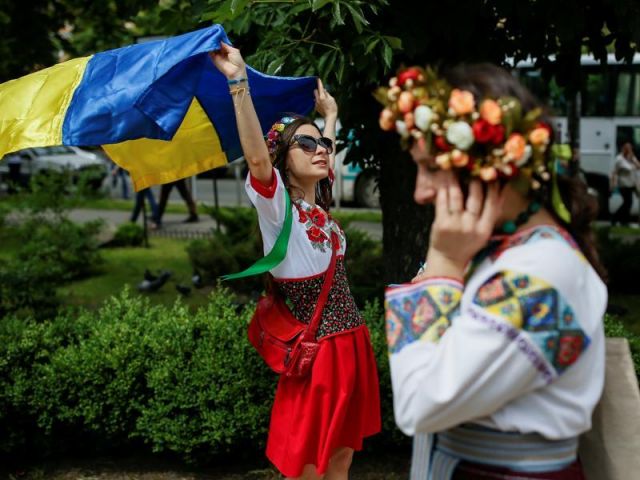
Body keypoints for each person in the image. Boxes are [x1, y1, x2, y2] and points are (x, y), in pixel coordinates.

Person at [378, 64, 608, 479]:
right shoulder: (503, 254)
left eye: (431, 167)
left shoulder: (541, 274)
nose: (420, 191)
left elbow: (418, 405)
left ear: (492, 167)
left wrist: (444, 264)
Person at [210, 42, 381, 480]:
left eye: (321, 144)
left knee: (341, 461)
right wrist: (238, 83)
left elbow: (326, 161)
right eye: (305, 144)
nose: (320, 148)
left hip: (351, 347)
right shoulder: (278, 208)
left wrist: (331, 119)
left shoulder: (319, 212)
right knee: (308, 467)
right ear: (281, 160)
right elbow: (255, 158)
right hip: (319, 356)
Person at [610, 142, 640, 226]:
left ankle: (623, 220)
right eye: (627, 149)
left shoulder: (632, 158)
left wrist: (633, 160)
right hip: (623, 184)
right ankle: (616, 218)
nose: (629, 150)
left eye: (630, 149)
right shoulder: (619, 159)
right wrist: (612, 183)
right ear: (624, 149)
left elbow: (638, 166)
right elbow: (622, 170)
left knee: (628, 203)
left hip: (632, 183)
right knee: (627, 202)